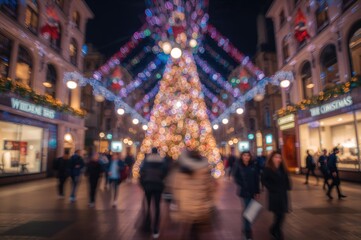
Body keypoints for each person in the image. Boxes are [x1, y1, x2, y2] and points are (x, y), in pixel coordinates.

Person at [170, 150, 216, 240]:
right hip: (201, 207)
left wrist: (177, 204)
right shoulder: (205, 171)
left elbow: (176, 189)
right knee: (196, 232)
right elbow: (210, 189)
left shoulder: (180, 171)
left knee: (186, 232)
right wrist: (210, 202)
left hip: (185, 208)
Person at [262, 151, 291, 240]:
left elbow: (287, 180)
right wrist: (272, 188)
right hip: (274, 195)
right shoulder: (268, 169)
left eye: (279, 157)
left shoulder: (283, 168)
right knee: (278, 215)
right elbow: (264, 180)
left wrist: (287, 187)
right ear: (271, 158)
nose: (278, 159)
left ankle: (274, 229)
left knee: (282, 215)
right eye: (276, 157)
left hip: (283, 195)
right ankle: (277, 231)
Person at [140, 147, 168, 239]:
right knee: (157, 207)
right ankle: (155, 228)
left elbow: (141, 173)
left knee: (148, 205)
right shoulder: (162, 161)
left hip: (148, 185)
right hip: (158, 186)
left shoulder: (146, 161)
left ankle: (147, 223)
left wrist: (143, 184)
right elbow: (165, 173)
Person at [234, 151, 260, 240]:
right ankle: (248, 230)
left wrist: (257, 191)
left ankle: (246, 228)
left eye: (248, 155)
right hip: (244, 192)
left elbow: (256, 179)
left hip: (252, 191)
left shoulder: (253, 165)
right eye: (244, 155)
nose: (246, 157)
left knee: (250, 210)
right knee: (247, 209)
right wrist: (242, 184)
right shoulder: (238, 165)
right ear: (242, 157)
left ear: (250, 157)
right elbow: (236, 177)